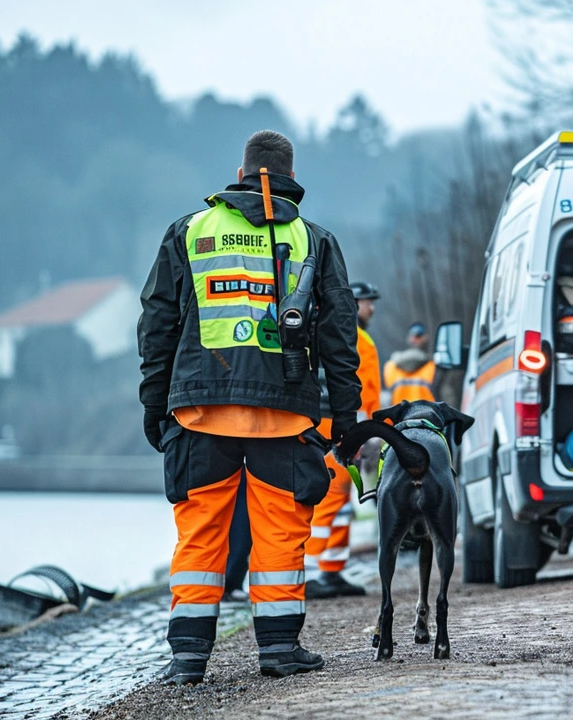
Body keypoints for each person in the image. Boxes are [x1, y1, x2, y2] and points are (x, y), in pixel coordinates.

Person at [138, 130, 361, 684]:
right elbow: (338, 336)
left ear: (241, 174)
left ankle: (188, 658)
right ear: (290, 177)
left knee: (200, 534)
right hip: (285, 417)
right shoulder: (316, 240)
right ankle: (279, 651)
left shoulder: (188, 232)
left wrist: (154, 403)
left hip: (199, 411)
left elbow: (158, 324)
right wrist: (348, 417)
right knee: (280, 534)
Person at [305, 280, 383, 598]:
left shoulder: (333, 332)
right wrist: (368, 429)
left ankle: (331, 569)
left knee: (339, 504)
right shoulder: (354, 337)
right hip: (337, 424)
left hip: (335, 422)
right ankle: (310, 573)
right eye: (366, 302)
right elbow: (362, 389)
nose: (371, 308)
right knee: (330, 499)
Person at [382, 323, 437, 405]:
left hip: (399, 417)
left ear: (409, 339)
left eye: (418, 335)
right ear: (426, 338)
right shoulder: (433, 367)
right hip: (428, 417)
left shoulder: (391, 366)